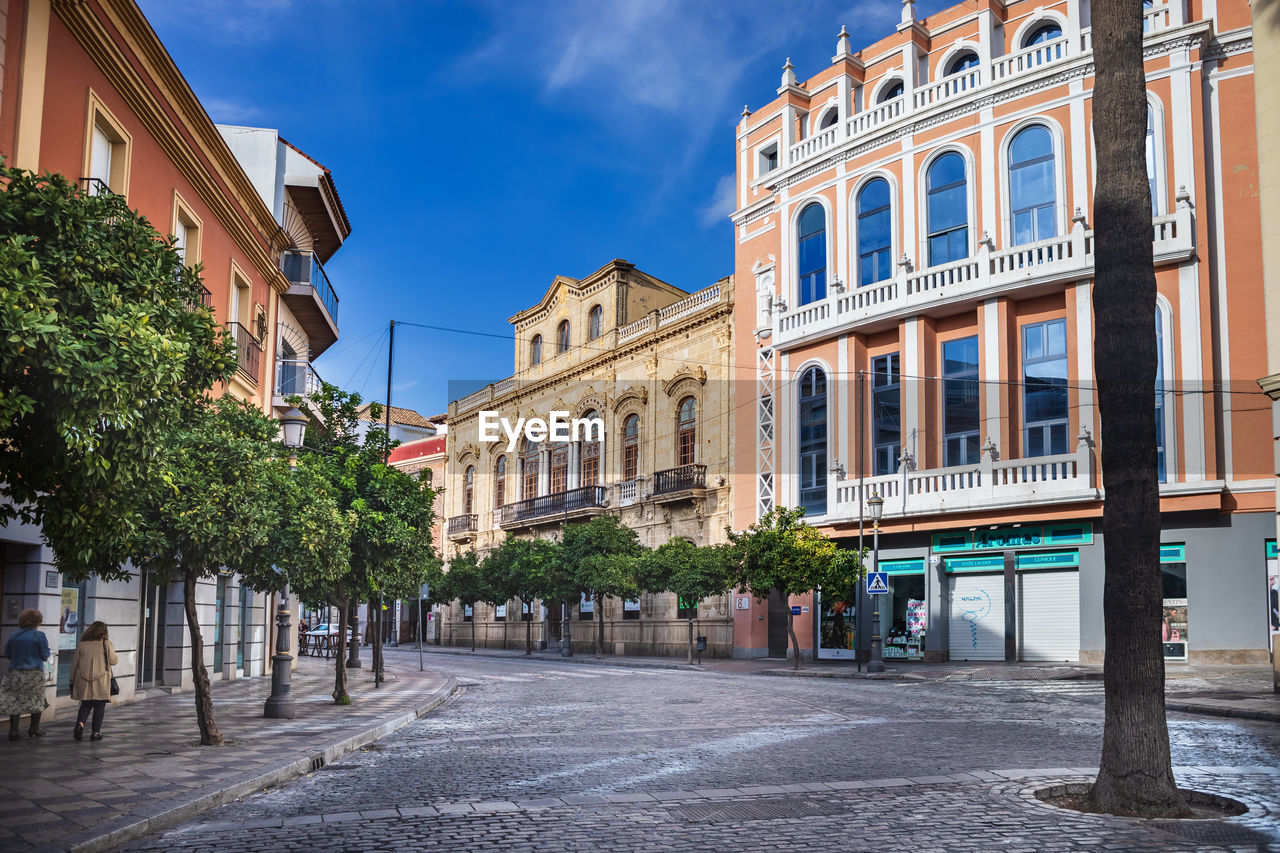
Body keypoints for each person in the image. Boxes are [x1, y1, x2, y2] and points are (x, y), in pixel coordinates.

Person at [0, 609, 51, 739]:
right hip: (34, 673)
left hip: (15, 672)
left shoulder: (14, 635)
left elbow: (7, 654)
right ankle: (34, 728)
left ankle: (14, 731)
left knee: (14, 699)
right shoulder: (39, 636)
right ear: (38, 621)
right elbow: (45, 655)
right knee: (37, 699)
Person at [70, 621, 117, 741]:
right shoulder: (106, 644)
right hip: (101, 680)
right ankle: (95, 733)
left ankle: (80, 725)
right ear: (104, 632)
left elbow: (74, 665)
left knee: (85, 704)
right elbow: (113, 661)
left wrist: (71, 681)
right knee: (99, 706)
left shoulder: (82, 645)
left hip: (83, 679)